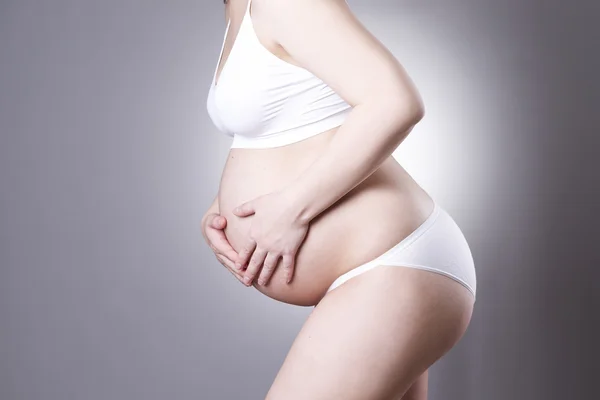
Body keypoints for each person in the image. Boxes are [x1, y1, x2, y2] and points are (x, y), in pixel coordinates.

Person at [201, 0, 477, 398]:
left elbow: (395, 102)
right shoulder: (238, 8)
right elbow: (294, 124)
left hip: (391, 264)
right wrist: (222, 206)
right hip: (377, 272)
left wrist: (290, 210)